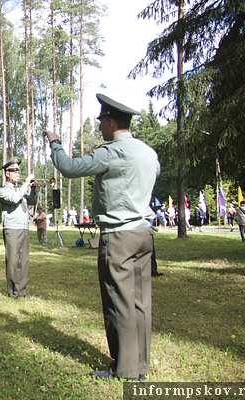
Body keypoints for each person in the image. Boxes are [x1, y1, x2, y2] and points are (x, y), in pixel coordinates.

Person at [44, 93, 160, 381]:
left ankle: (124, 368)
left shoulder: (111, 151)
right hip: (144, 234)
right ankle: (140, 364)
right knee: (140, 301)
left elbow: (69, 168)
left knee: (118, 302)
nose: (99, 128)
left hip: (118, 236)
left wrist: (55, 142)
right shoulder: (148, 153)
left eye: (101, 122)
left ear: (110, 122)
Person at [0, 157, 37, 299]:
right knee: (13, 259)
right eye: (14, 171)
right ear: (7, 173)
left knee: (23, 260)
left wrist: (33, 188)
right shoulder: (3, 190)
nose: (18, 174)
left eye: (19, 171)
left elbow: (31, 202)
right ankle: (12, 291)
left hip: (23, 227)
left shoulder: (20, 189)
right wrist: (25, 184)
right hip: (12, 228)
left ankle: (22, 291)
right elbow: (14, 199)